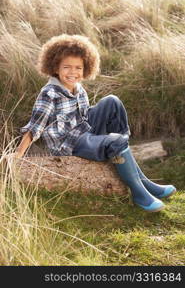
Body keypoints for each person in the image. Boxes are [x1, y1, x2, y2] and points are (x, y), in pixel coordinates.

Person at [13, 34, 176, 212]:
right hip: (68, 144)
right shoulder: (49, 93)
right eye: (66, 67)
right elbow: (35, 127)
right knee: (115, 141)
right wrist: (17, 155)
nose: (73, 72)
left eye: (78, 68)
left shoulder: (79, 88)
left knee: (112, 101)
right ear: (55, 68)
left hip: (84, 130)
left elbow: (84, 116)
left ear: (86, 69)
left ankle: (139, 175)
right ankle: (139, 192)